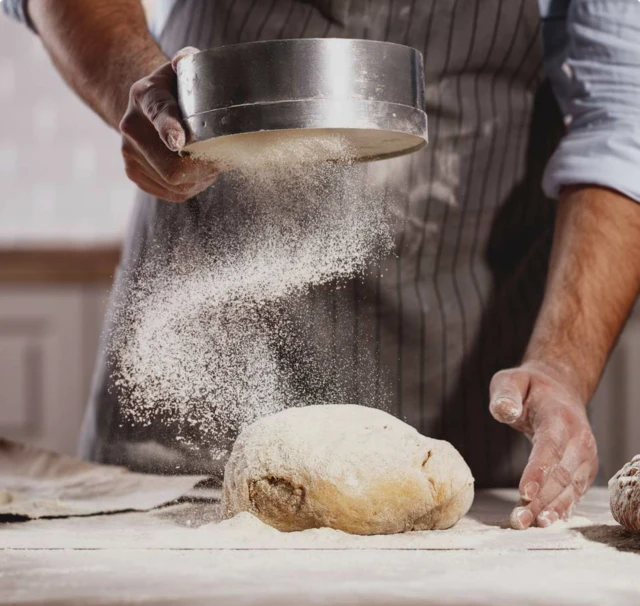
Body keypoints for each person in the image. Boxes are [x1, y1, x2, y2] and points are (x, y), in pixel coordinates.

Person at [5, 0, 640, 530]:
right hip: (200, 332)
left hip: (460, 343)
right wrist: (135, 84)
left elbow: (622, 115)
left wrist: (559, 364)